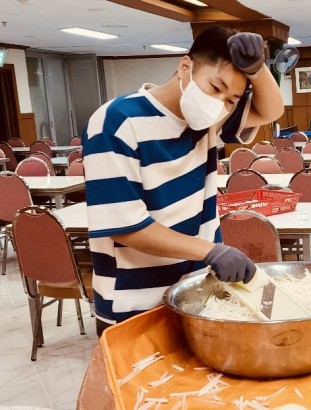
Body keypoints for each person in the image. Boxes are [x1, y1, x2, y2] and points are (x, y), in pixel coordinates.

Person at [82, 26, 284, 335]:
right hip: (134, 308)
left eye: (230, 100)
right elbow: (127, 227)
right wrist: (209, 250)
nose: (220, 104)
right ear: (185, 67)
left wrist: (258, 71)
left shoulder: (208, 123)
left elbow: (272, 110)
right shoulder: (117, 122)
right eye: (215, 87)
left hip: (195, 296)